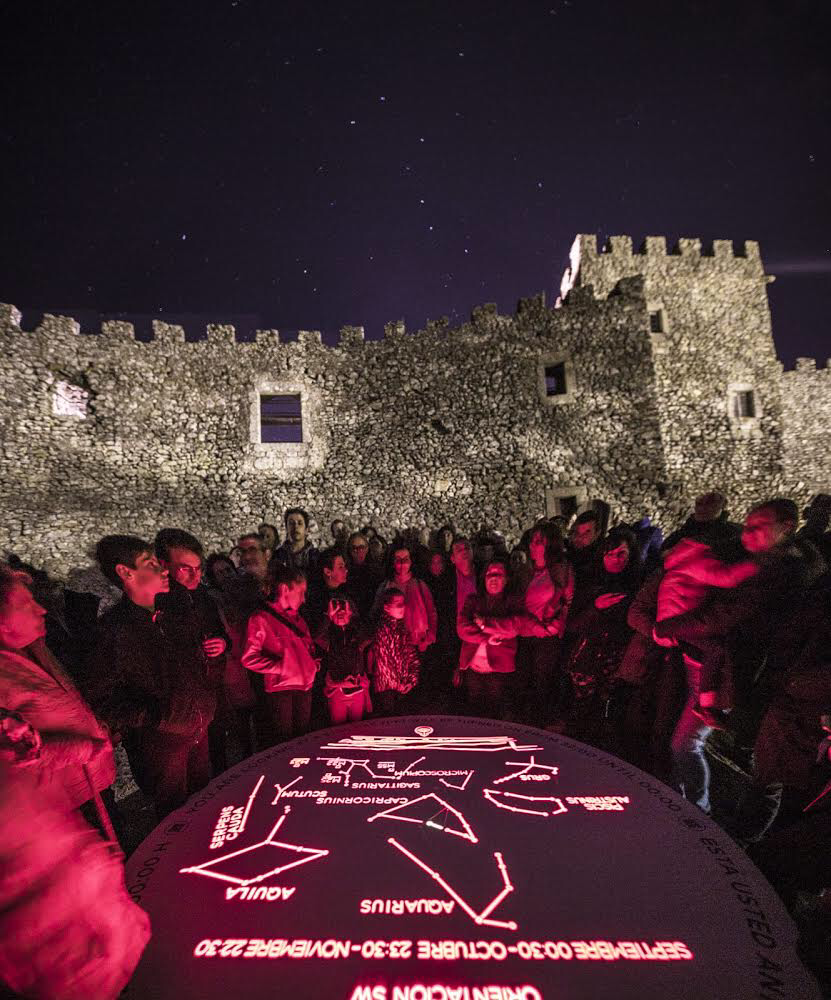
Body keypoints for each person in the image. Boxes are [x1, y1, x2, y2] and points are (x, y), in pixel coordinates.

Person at [655, 499, 824, 813]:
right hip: (718, 662)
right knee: (690, 742)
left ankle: (699, 813)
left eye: (758, 527)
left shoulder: (777, 573)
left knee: (689, 744)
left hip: (734, 671)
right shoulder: (767, 560)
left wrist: (669, 626)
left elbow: (725, 617)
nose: (747, 534)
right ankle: (691, 806)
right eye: (747, 525)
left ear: (786, 528)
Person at [0, 708, 150, 1000]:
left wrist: (88, 748)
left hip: (61, 908)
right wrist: (89, 748)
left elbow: (37, 751)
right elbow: (36, 750)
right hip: (55, 908)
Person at [85, 535, 215, 820]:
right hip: (161, 745)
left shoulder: (174, 613)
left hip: (197, 729)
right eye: (150, 563)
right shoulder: (114, 632)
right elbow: (102, 698)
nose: (163, 569)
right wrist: (159, 717)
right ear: (125, 572)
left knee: (206, 804)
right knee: (175, 818)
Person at [0, 561, 116, 823]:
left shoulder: (35, 648)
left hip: (91, 779)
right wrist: (83, 748)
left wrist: (95, 725)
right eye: (25, 604)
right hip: (64, 801)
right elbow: (11, 754)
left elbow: (60, 700)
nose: (41, 609)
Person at [655, 533, 759, 728]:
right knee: (716, 649)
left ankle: (707, 703)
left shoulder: (680, 563)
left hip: (676, 622)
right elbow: (727, 578)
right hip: (681, 623)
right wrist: (756, 565)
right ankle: (707, 704)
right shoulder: (696, 561)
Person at [155, 528, 231, 773]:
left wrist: (222, 643)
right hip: (182, 703)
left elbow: (221, 632)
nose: (194, 575)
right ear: (164, 565)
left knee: (216, 752)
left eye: (198, 568)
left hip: (211, 689)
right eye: (185, 568)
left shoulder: (203, 598)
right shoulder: (157, 603)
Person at [564, 528, 642, 743]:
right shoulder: (590, 582)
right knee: (581, 706)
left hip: (618, 658)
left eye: (621, 554)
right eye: (610, 554)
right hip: (588, 656)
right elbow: (572, 624)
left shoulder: (637, 585)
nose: (615, 559)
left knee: (607, 706)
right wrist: (595, 607)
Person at [241, 564, 319, 743]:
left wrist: (312, 663)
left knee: (302, 739)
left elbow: (308, 647)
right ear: (285, 589)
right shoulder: (261, 618)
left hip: (304, 686)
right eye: (301, 592)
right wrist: (280, 667)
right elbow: (249, 658)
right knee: (284, 741)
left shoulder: (298, 619)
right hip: (281, 689)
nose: (303, 599)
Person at [456, 559, 525, 719]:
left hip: (498, 670)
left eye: (498, 574)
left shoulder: (512, 602)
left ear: (506, 579)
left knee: (494, 712)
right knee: (473, 711)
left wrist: (484, 623)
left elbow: (514, 627)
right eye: (489, 574)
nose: (493, 578)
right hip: (473, 668)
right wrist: (487, 637)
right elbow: (462, 629)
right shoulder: (473, 600)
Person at [522, 522, 574, 726]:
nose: (532, 545)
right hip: (525, 634)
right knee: (526, 685)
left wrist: (556, 625)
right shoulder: (526, 571)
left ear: (550, 544)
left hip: (548, 637)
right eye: (532, 540)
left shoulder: (562, 570)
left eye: (538, 541)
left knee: (543, 685)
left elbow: (568, 602)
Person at [371, 544, 437, 655]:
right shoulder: (385, 586)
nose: (402, 563)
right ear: (393, 563)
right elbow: (376, 612)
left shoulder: (420, 585)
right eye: (398, 560)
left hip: (418, 643)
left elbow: (431, 612)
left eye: (405, 559)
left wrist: (429, 637)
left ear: (411, 562)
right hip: (392, 646)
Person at [315, 596, 371, 724]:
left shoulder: (356, 635)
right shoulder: (330, 637)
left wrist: (353, 616)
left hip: (357, 690)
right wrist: (328, 616)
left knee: (357, 727)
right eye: (337, 612)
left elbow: (369, 636)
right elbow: (317, 637)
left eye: (344, 611)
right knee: (338, 728)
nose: (340, 614)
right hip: (337, 691)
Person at [370, 588, 420, 716]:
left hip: (402, 686)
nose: (403, 607)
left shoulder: (401, 627)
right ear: (386, 607)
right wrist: (399, 684)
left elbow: (411, 654)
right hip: (387, 690)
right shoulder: (382, 629)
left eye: (403, 603)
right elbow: (385, 662)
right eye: (398, 604)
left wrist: (411, 680)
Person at [274, 507, 319, 574]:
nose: (295, 526)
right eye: (291, 523)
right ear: (286, 528)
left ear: (306, 529)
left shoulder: (316, 557)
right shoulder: (278, 556)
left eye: (300, 523)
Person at [345, 531, 379, 618]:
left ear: (367, 548)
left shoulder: (376, 571)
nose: (358, 551)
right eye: (354, 548)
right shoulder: (344, 571)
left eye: (361, 547)